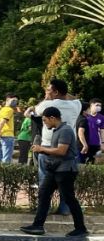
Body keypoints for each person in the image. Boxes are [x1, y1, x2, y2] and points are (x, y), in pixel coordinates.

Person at [21, 106, 88, 237]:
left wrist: (42, 149)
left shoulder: (65, 130)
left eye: (45, 120)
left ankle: (81, 228)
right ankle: (38, 225)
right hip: (55, 169)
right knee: (44, 193)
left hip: (65, 170)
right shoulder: (57, 130)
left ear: (53, 118)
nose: (44, 123)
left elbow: (61, 151)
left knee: (69, 199)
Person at [34, 79, 82, 215]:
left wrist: (47, 97)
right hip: (68, 148)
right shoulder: (75, 105)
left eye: (49, 89)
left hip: (47, 147)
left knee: (44, 180)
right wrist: (63, 92)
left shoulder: (47, 104)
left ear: (55, 92)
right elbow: (75, 98)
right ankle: (65, 208)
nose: (46, 91)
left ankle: (44, 208)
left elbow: (37, 110)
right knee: (65, 183)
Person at [0, 93, 18, 163]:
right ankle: (5, 174)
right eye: (14, 100)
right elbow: (2, 122)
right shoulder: (10, 110)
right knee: (6, 159)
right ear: (8, 99)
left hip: (0, 136)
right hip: (7, 136)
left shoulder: (2, 109)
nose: (15, 102)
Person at [84, 99, 104, 164]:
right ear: (91, 105)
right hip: (85, 143)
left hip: (96, 143)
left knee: (94, 163)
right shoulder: (85, 116)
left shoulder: (101, 117)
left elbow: (102, 131)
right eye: (97, 105)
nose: (99, 107)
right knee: (85, 162)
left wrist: (103, 143)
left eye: (100, 106)